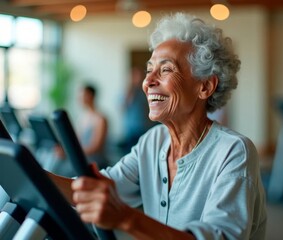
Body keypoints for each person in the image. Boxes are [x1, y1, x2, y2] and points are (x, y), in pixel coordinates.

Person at [49, 12, 267, 239]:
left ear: (205, 87)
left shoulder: (233, 151)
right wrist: (28, 172)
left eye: (166, 69)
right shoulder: (153, 141)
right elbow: (99, 189)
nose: (147, 82)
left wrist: (126, 218)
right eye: (149, 69)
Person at [52, 84, 109, 176]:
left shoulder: (101, 119)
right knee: (57, 163)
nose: (80, 98)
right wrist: (65, 148)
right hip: (83, 157)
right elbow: (76, 141)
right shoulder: (82, 118)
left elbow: (96, 148)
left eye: (83, 95)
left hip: (95, 161)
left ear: (91, 96)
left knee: (64, 171)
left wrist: (68, 153)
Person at [117, 66, 157, 155]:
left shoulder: (145, 91)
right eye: (135, 76)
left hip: (145, 129)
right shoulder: (124, 92)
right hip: (130, 132)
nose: (138, 78)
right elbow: (122, 108)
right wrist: (131, 89)